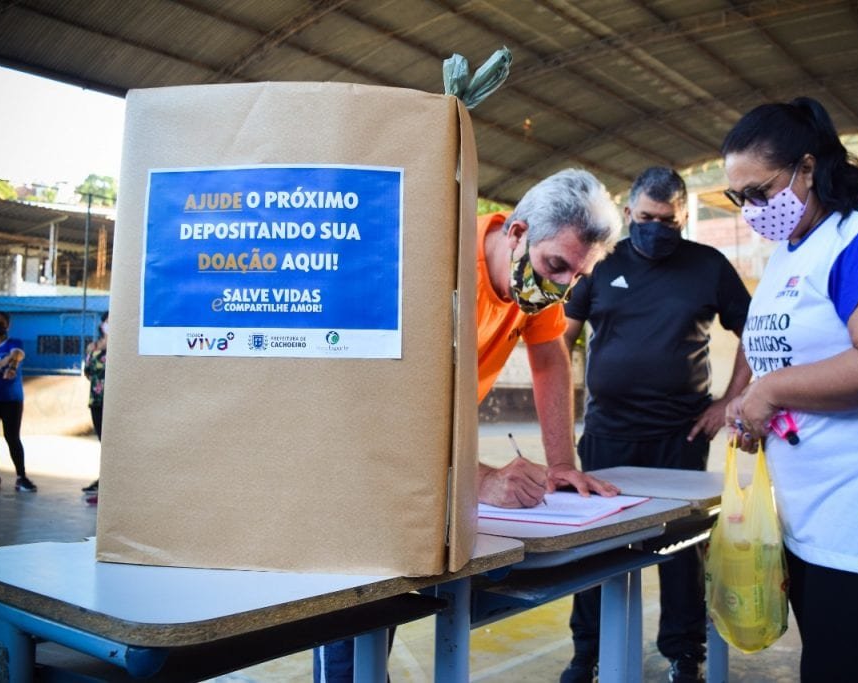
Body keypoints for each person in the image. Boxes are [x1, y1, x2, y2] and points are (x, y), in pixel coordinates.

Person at [315, 167, 625, 682]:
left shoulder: (532, 281)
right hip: (364, 449)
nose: (563, 287)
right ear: (518, 232)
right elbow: (392, 400)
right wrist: (479, 479)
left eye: (578, 277)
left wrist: (561, 465)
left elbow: (549, 355)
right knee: (356, 611)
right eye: (556, 266)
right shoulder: (440, 262)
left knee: (395, 596)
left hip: (428, 452)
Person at [720, 97, 858, 682]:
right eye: (737, 198)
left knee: (841, 670)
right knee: (824, 664)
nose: (750, 211)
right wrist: (750, 409)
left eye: (758, 192)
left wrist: (769, 394)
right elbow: (780, 353)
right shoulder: (790, 251)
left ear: (807, 167)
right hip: (809, 502)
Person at [560, 167, 752, 683]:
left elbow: (755, 333)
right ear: (628, 214)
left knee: (680, 556)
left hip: (681, 436)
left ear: (684, 218)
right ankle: (587, 654)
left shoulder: (708, 266)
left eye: (669, 221)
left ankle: (684, 654)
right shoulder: (600, 264)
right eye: (647, 218)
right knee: (594, 549)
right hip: (608, 435)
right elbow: (557, 342)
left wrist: (728, 404)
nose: (657, 228)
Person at [0, 311, 34, 493]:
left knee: (12, 438)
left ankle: (21, 477)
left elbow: (17, 354)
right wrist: (6, 361)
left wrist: (12, 362)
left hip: (11, 400)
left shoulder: (14, 343)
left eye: (0, 323)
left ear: (7, 326)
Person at [82, 311, 109, 499]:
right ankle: (103, 480)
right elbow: (88, 372)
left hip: (113, 402)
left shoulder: (119, 346)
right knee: (102, 442)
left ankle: (109, 482)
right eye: (107, 321)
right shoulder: (93, 346)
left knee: (111, 443)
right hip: (96, 401)